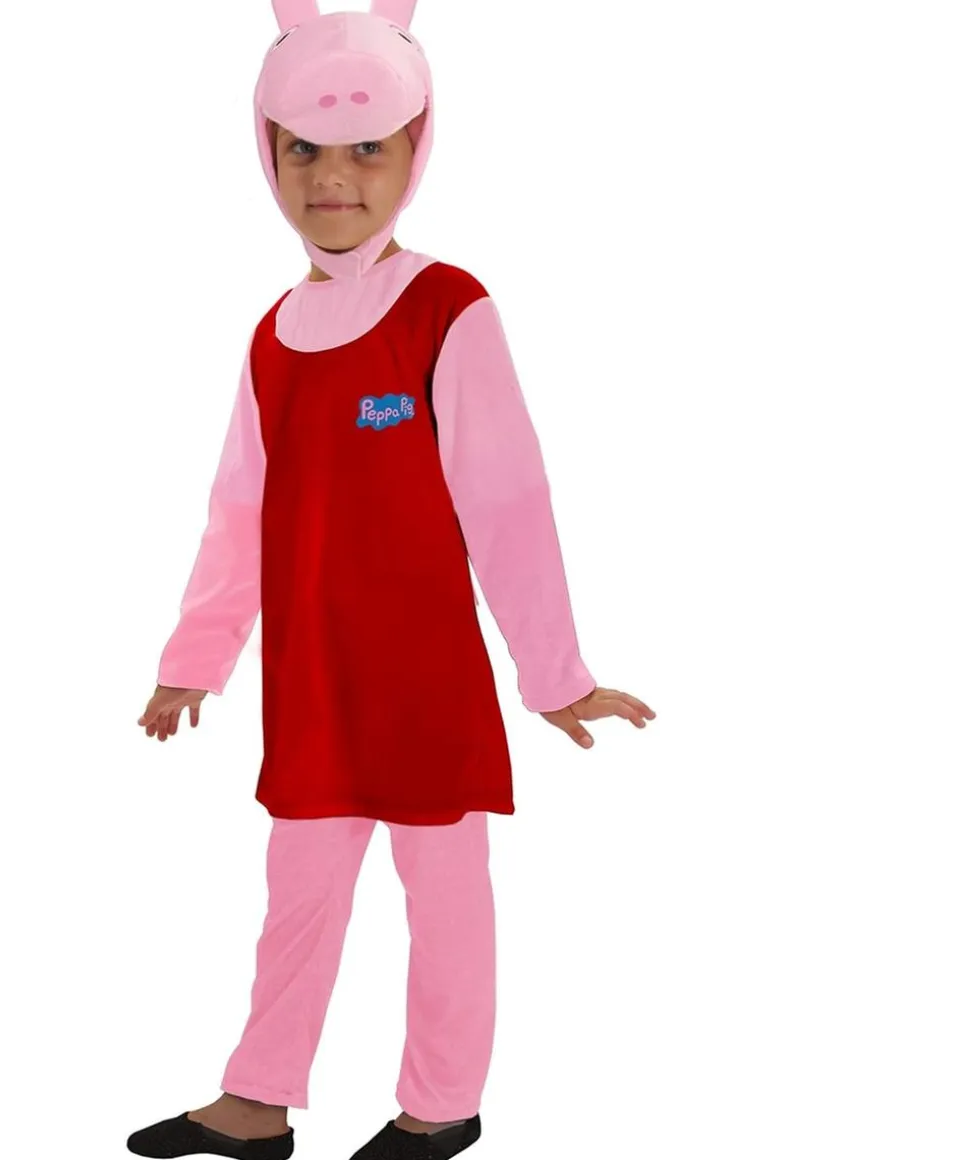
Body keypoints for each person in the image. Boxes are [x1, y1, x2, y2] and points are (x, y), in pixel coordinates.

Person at [126, 2, 654, 1157]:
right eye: (302, 150)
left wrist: (554, 673)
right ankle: (257, 1097)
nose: (332, 178)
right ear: (265, 154)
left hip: (423, 679)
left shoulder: (444, 307)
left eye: (365, 148)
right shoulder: (272, 335)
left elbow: (507, 500)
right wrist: (193, 659)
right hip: (314, 678)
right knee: (296, 894)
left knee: (445, 892)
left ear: (416, 149)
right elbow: (237, 511)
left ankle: (440, 1103)